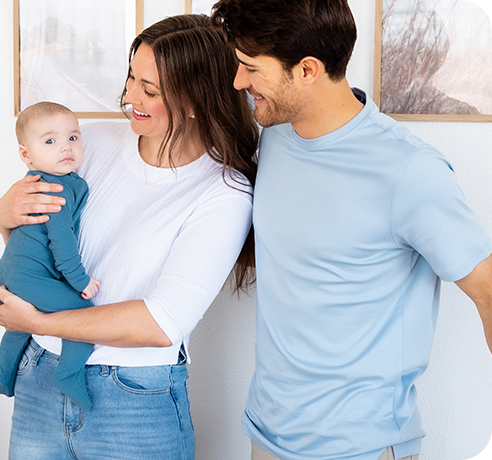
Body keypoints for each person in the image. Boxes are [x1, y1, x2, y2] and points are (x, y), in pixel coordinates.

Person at [210, 1, 492, 460]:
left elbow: (488, 289)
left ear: (307, 70)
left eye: (249, 69)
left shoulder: (409, 170)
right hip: (266, 434)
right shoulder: (277, 136)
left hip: (357, 448)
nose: (239, 81)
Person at [0, 14, 259, 460]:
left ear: (196, 101)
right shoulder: (85, 145)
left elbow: (159, 324)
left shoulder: (223, 192)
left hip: (133, 399)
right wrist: (1, 216)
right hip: (38, 373)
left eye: (150, 90)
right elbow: (31, 240)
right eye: (132, 76)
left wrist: (33, 321)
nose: (130, 95)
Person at [0, 101, 101, 412]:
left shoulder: (44, 184)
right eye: (50, 141)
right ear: (26, 155)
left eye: (73, 137)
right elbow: (62, 243)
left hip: (10, 271)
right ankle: (68, 374)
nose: (65, 148)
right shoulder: (54, 190)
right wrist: (81, 281)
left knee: (18, 325)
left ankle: (4, 374)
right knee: (83, 318)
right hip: (31, 277)